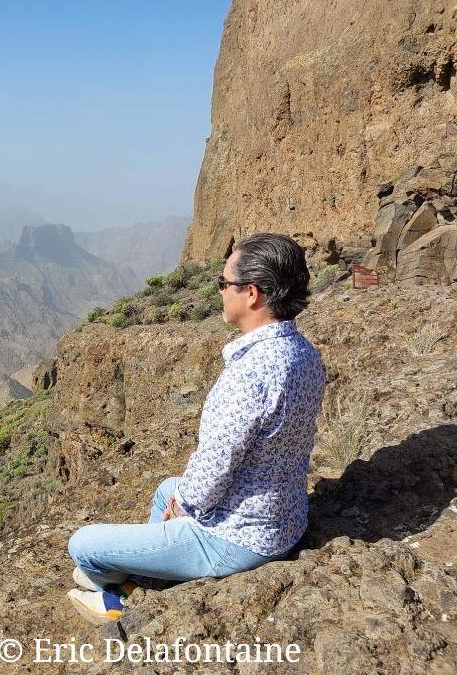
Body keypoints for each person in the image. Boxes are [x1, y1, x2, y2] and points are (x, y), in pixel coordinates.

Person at [66, 233, 327, 625]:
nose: (220, 291)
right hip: (282, 519)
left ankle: (113, 599)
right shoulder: (303, 352)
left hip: (238, 540)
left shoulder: (251, 373)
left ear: (251, 293)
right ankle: (138, 578)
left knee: (82, 546)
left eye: (224, 284)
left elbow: (216, 464)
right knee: (165, 490)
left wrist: (185, 506)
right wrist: (181, 498)